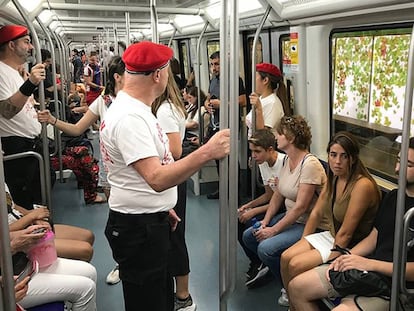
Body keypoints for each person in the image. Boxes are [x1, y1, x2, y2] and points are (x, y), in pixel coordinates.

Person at [100, 41, 230, 311]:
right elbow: (156, 177)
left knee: (159, 297)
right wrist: (207, 152)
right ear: (158, 75)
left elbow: (143, 171)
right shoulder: (130, 118)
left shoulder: (136, 110)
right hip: (138, 228)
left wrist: (161, 208)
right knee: (147, 303)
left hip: (148, 219)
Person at [288, 137, 414, 311]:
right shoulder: (394, 197)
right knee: (296, 287)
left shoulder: (364, 186)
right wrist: (345, 258)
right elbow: (374, 238)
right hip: (370, 271)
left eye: (408, 165)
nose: (397, 169)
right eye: (399, 161)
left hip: (396, 287)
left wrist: (368, 264)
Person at [279, 131, 381, 307]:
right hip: (332, 235)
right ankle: (294, 306)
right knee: (285, 257)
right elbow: (317, 213)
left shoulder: (362, 185)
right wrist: (304, 240)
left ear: (353, 159)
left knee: (296, 264)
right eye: (333, 155)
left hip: (349, 245)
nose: (337, 162)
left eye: (344, 156)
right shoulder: (334, 177)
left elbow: (347, 233)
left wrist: (334, 258)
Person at [242, 115, 328, 287]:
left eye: (280, 134)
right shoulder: (288, 159)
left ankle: (288, 285)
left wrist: (273, 230)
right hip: (291, 218)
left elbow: (301, 207)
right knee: (249, 236)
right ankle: (277, 270)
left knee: (265, 248)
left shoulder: (309, 164)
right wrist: (265, 222)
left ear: (291, 138)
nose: (276, 138)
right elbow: (278, 194)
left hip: (308, 223)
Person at [152, 69, 196, 311]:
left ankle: (183, 296)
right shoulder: (167, 107)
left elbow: (175, 151)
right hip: (171, 176)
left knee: (175, 236)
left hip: (171, 176)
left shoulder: (165, 110)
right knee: (172, 235)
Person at [0, 24, 47, 210]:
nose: (31, 47)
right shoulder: (1, 72)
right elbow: (6, 111)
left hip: (28, 143)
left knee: (36, 199)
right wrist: (31, 83)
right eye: (26, 42)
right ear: (11, 45)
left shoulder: (14, 71)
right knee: (25, 202)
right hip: (15, 147)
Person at [9, 225, 97, 311]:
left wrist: (24, 233)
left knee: (90, 271)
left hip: (24, 265)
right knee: (86, 288)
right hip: (11, 283)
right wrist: (12, 247)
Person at [238, 129, 285, 286]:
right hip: (274, 204)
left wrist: (253, 211)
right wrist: (248, 206)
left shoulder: (284, 163)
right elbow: (268, 194)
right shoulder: (263, 163)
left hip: (284, 208)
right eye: (252, 151)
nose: (254, 156)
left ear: (270, 150)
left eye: (257, 151)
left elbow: (279, 199)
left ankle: (264, 263)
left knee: (248, 222)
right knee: (239, 220)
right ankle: (257, 262)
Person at [6, 183, 95, 262]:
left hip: (27, 225)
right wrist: (31, 217)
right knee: (85, 251)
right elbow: (4, 232)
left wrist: (32, 215)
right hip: (17, 239)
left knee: (88, 236)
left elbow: (13, 206)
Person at [204, 50, 247, 199]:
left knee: (230, 158)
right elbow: (208, 97)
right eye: (212, 65)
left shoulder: (235, 79)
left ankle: (236, 192)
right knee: (218, 158)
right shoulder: (213, 80)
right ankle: (222, 187)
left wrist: (222, 104)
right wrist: (207, 105)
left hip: (229, 125)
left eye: (217, 64)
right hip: (215, 124)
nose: (214, 68)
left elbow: (242, 100)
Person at [246, 62, 290, 138]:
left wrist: (259, 109)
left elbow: (263, 135)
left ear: (265, 80)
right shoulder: (261, 98)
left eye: (255, 77)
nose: (253, 81)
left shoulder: (273, 103)